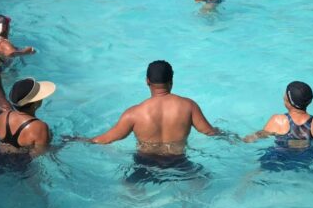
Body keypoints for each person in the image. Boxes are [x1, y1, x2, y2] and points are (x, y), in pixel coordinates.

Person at [71, 61, 224, 182]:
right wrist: (230, 135)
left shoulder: (134, 113)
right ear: (171, 81)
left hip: (145, 164)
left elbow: (105, 139)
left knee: (128, 185)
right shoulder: (188, 106)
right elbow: (209, 131)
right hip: (178, 162)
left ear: (147, 81)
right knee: (203, 180)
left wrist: (77, 139)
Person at [0, 78, 55, 154]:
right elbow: (41, 154)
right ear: (35, 103)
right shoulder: (40, 127)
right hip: (20, 163)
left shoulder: (4, 116)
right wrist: (63, 143)